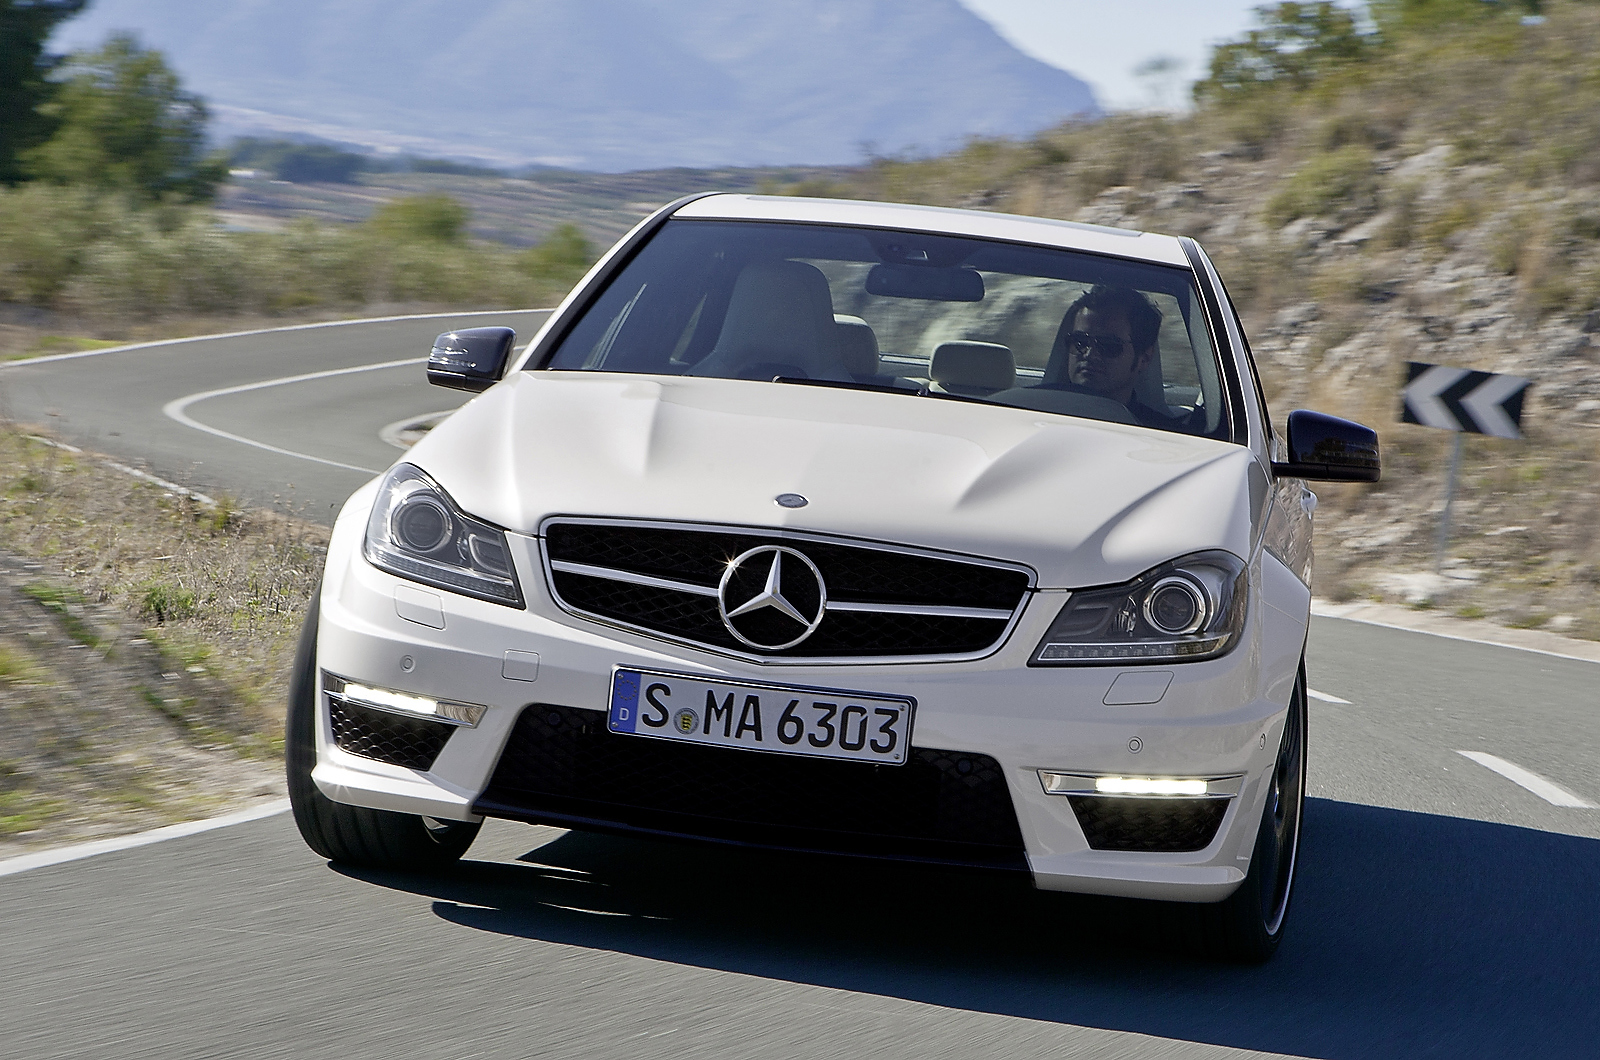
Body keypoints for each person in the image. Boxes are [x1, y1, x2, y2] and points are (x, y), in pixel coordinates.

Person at [1044, 284, 1183, 430]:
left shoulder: (1162, 435)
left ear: (1144, 358)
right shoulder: (1030, 407)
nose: (1089, 354)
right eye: (1080, 342)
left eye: (1108, 345)